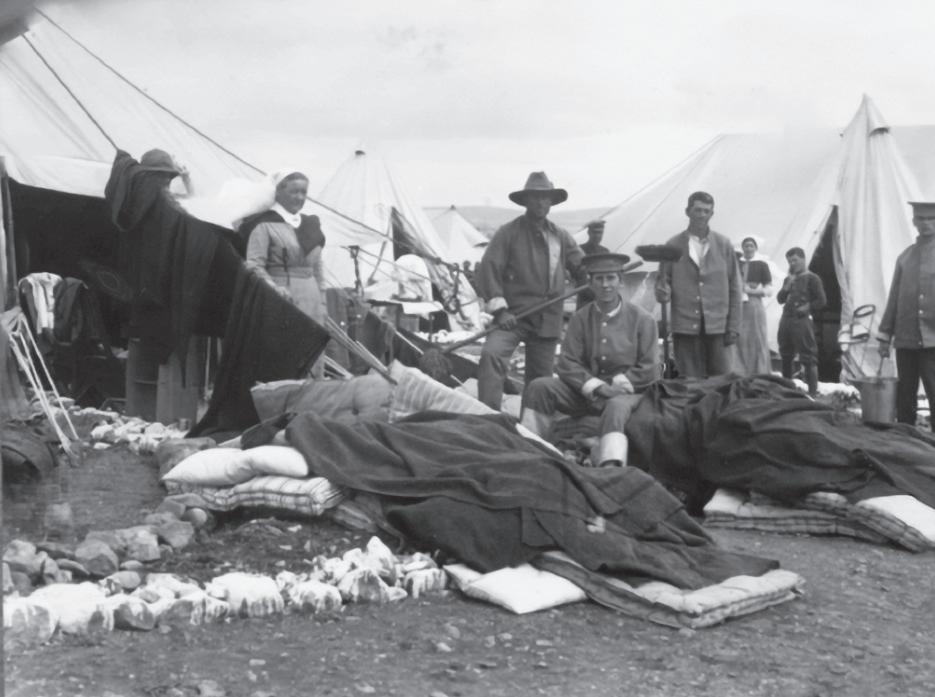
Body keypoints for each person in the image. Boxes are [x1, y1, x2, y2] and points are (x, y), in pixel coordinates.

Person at [521, 253, 659, 467]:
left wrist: (617, 387)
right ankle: (530, 449)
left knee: (616, 407)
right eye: (599, 279)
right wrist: (598, 387)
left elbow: (650, 368)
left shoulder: (643, 319)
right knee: (540, 387)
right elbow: (567, 362)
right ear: (590, 283)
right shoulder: (580, 318)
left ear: (621, 281)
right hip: (587, 393)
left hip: (628, 394)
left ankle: (610, 466)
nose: (605, 285)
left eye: (611, 278)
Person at [475, 171, 585, 410]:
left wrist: (599, 272)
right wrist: (500, 312)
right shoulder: (508, 233)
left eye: (546, 198)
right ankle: (487, 419)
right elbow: (489, 269)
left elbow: (582, 267)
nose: (541, 202)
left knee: (539, 382)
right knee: (491, 355)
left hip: (547, 319)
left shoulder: (560, 236)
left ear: (551, 202)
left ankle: (530, 427)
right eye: (535, 197)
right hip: (512, 318)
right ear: (525, 200)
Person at [242, 170, 327, 373]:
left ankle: (311, 392)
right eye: (294, 191)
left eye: (303, 192)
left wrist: (323, 301)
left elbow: (317, 267)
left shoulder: (311, 224)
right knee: (286, 352)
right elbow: (254, 265)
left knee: (312, 352)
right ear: (278, 192)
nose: (299, 197)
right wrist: (273, 288)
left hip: (312, 298)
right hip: (281, 296)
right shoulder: (263, 224)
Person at [654, 191, 742, 378]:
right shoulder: (673, 245)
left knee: (722, 381)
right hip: (685, 327)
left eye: (706, 211)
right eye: (697, 210)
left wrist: (733, 326)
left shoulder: (724, 244)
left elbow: (735, 287)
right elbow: (663, 282)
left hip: (719, 327)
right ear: (687, 211)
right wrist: (663, 291)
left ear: (712, 214)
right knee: (690, 381)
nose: (702, 215)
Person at [877, 200, 935, 429]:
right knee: (905, 395)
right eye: (921, 219)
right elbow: (893, 299)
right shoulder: (905, 257)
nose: (926, 223)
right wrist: (884, 336)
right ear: (914, 222)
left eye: (931, 219)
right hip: (906, 338)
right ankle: (905, 438)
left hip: (933, 340)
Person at [777, 247, 826, 396]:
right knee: (786, 355)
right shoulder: (788, 279)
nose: (792, 264)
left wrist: (808, 307)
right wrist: (786, 287)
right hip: (786, 319)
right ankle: (787, 391)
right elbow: (780, 299)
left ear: (803, 259)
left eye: (795, 260)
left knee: (808, 357)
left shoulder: (813, 278)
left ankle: (812, 394)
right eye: (790, 261)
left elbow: (822, 301)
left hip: (802, 320)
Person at [736, 236, 773, 374]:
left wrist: (753, 290)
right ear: (742, 248)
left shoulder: (762, 265)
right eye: (746, 246)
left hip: (754, 305)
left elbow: (769, 289)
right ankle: (740, 370)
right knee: (739, 337)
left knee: (756, 336)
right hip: (738, 305)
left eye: (751, 246)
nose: (748, 248)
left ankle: (758, 370)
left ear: (756, 248)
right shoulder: (736, 264)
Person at [576, 220, 610, 309]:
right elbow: (574, 272)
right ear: (589, 233)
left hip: (601, 293)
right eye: (595, 232)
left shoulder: (605, 252)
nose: (597, 236)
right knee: (583, 316)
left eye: (600, 233)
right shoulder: (579, 250)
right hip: (584, 294)